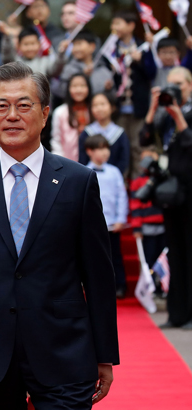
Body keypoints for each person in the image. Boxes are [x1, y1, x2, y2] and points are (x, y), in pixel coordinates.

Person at [0, 61, 119, 409]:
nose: (11, 115)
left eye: (24, 105)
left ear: (45, 114)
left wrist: (105, 352)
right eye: (1, 106)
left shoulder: (78, 182)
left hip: (64, 350)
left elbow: (98, 274)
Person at [141, 69, 192, 329]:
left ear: (190, 85)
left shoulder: (183, 114)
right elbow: (144, 138)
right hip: (172, 194)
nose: (174, 89)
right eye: (170, 85)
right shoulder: (164, 113)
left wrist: (179, 117)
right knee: (176, 254)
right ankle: (177, 314)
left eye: (179, 85)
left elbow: (189, 143)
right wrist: (153, 108)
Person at [111, 10, 156, 179]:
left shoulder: (143, 46)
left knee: (138, 147)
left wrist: (141, 59)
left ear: (131, 26)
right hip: (118, 108)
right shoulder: (111, 48)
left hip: (139, 107)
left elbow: (152, 73)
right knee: (121, 147)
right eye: (113, 24)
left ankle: (138, 186)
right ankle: (122, 185)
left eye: (118, 23)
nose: (114, 27)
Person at [85, 134, 129, 298]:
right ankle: (97, 287)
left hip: (112, 224)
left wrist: (120, 218)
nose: (104, 153)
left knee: (115, 256)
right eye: (100, 149)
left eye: (106, 149)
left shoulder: (115, 171)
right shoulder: (84, 171)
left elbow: (121, 196)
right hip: (93, 226)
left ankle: (120, 285)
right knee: (94, 258)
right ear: (89, 151)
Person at [129, 146, 166, 274]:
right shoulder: (137, 182)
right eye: (144, 159)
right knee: (149, 259)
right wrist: (137, 228)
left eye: (151, 158)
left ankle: (163, 288)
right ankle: (151, 288)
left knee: (164, 259)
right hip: (147, 227)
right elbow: (135, 205)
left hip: (164, 225)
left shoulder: (164, 178)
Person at [79, 92, 130, 176]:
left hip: (114, 178)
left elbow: (124, 160)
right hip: (90, 178)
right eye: (95, 105)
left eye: (103, 104)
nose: (99, 108)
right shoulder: (87, 133)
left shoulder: (120, 133)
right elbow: (82, 160)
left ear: (112, 107)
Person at [57, 30, 114, 98]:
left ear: (92, 47)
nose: (75, 49)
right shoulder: (68, 69)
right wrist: (82, 76)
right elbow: (62, 93)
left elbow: (113, 97)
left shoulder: (104, 71)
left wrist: (109, 89)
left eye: (79, 44)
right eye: (73, 45)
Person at [51, 73, 92, 161]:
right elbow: (56, 140)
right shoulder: (60, 112)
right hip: (67, 162)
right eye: (74, 86)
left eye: (82, 85)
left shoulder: (94, 110)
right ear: (68, 89)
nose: (79, 90)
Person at [0, 26, 67, 78]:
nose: (30, 48)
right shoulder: (15, 62)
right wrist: (7, 37)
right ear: (18, 45)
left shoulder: (45, 61)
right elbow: (7, 54)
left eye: (33, 43)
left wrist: (61, 53)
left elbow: (56, 70)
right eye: (26, 44)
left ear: (39, 45)